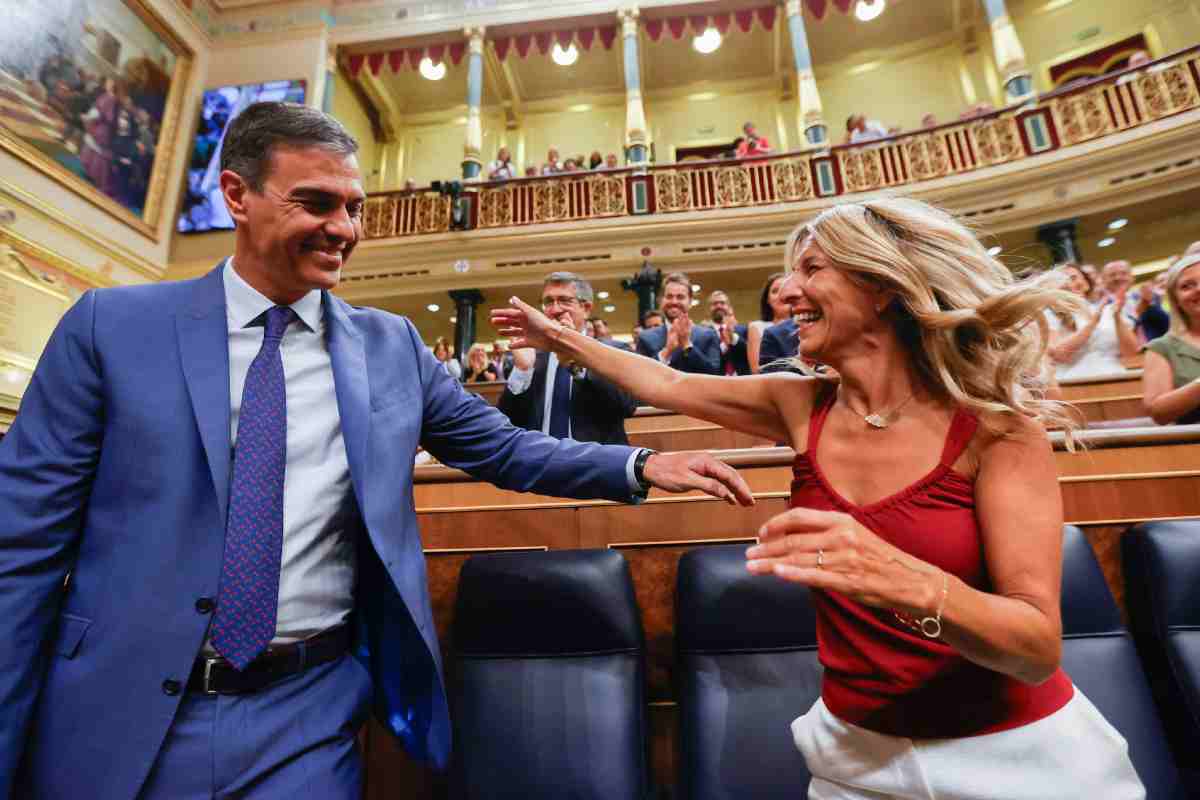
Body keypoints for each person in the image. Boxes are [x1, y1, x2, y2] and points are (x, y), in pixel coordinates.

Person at [0, 102, 755, 800]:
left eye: (354, 208)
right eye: (317, 204)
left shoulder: (386, 345)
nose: (344, 229)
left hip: (306, 713)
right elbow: (20, 548)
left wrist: (640, 465)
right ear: (237, 195)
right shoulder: (111, 327)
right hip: (118, 705)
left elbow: (501, 446)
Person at [492, 196, 1144, 799]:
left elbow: (1035, 648)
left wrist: (902, 579)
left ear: (883, 285)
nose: (789, 292)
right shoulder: (799, 404)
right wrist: (563, 340)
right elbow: (664, 383)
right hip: (855, 762)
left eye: (813, 268)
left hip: (1015, 760)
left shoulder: (997, 430)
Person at [498, 272, 638, 446]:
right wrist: (523, 370)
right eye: (549, 302)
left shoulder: (612, 350)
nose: (555, 309)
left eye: (564, 300)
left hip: (597, 462)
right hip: (540, 461)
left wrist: (577, 363)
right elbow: (507, 421)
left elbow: (626, 406)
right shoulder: (530, 354)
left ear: (586, 308)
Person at [1046, 263, 1137, 380]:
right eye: (1062, 281)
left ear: (1086, 282)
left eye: (1073, 278)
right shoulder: (1050, 315)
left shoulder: (1108, 311)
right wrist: (1093, 323)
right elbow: (1060, 355)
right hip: (1074, 382)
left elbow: (1131, 353)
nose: (1069, 284)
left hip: (1115, 377)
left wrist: (1117, 316)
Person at [1143, 252, 1200, 425]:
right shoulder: (1161, 348)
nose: (1198, 289)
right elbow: (1158, 413)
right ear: (1176, 300)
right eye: (1187, 286)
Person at [635, 272, 722, 374]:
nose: (674, 302)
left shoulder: (708, 335)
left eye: (680, 297)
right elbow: (640, 376)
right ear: (661, 300)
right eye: (669, 296)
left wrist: (687, 345)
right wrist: (666, 351)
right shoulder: (646, 338)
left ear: (690, 302)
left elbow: (715, 374)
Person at [748, 272, 792, 373]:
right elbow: (757, 371)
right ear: (767, 299)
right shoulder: (757, 327)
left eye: (785, 289)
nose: (781, 295)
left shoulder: (805, 324)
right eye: (775, 291)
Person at [707, 290, 750, 375]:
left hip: (742, 380)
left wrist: (733, 338)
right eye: (715, 304)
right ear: (709, 309)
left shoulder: (744, 330)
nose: (719, 306)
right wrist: (724, 345)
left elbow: (749, 354)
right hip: (715, 381)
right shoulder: (703, 334)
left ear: (729, 307)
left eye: (722, 303)